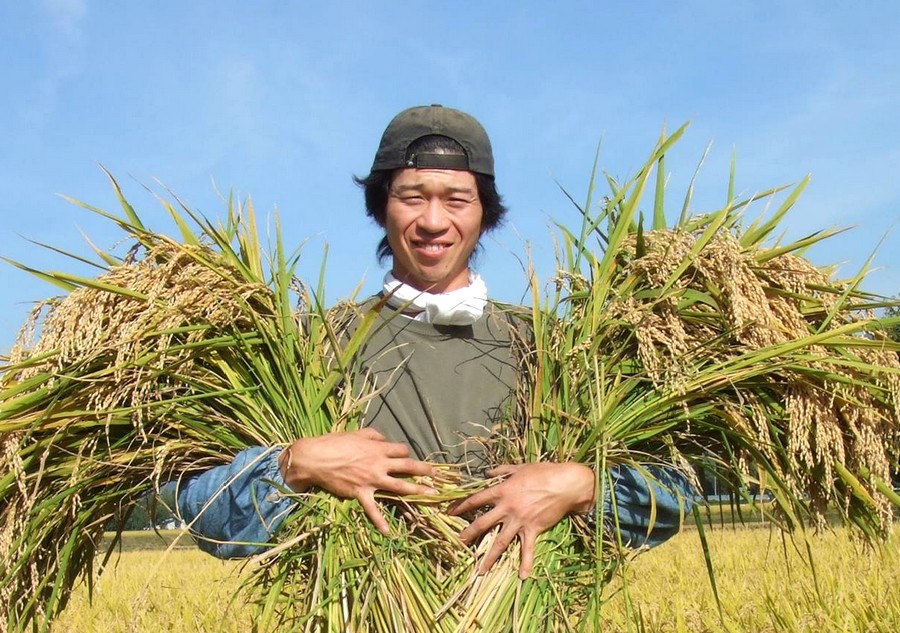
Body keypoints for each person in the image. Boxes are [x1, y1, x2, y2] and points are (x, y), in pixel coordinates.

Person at [176, 104, 694, 578]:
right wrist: (294, 464)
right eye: (411, 197)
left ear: (484, 214)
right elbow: (201, 513)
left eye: (456, 200)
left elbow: (674, 494)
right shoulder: (312, 348)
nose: (432, 220)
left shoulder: (552, 348)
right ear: (382, 208)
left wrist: (583, 488)